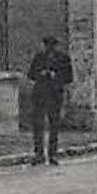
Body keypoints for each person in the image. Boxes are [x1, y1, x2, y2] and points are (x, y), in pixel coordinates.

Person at [27, 35, 73, 166]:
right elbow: (31, 75)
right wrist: (40, 73)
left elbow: (69, 77)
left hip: (55, 95)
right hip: (40, 94)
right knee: (38, 125)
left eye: (51, 46)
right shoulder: (39, 58)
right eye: (47, 46)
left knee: (54, 125)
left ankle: (52, 154)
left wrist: (56, 76)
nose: (49, 49)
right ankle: (39, 154)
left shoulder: (63, 59)